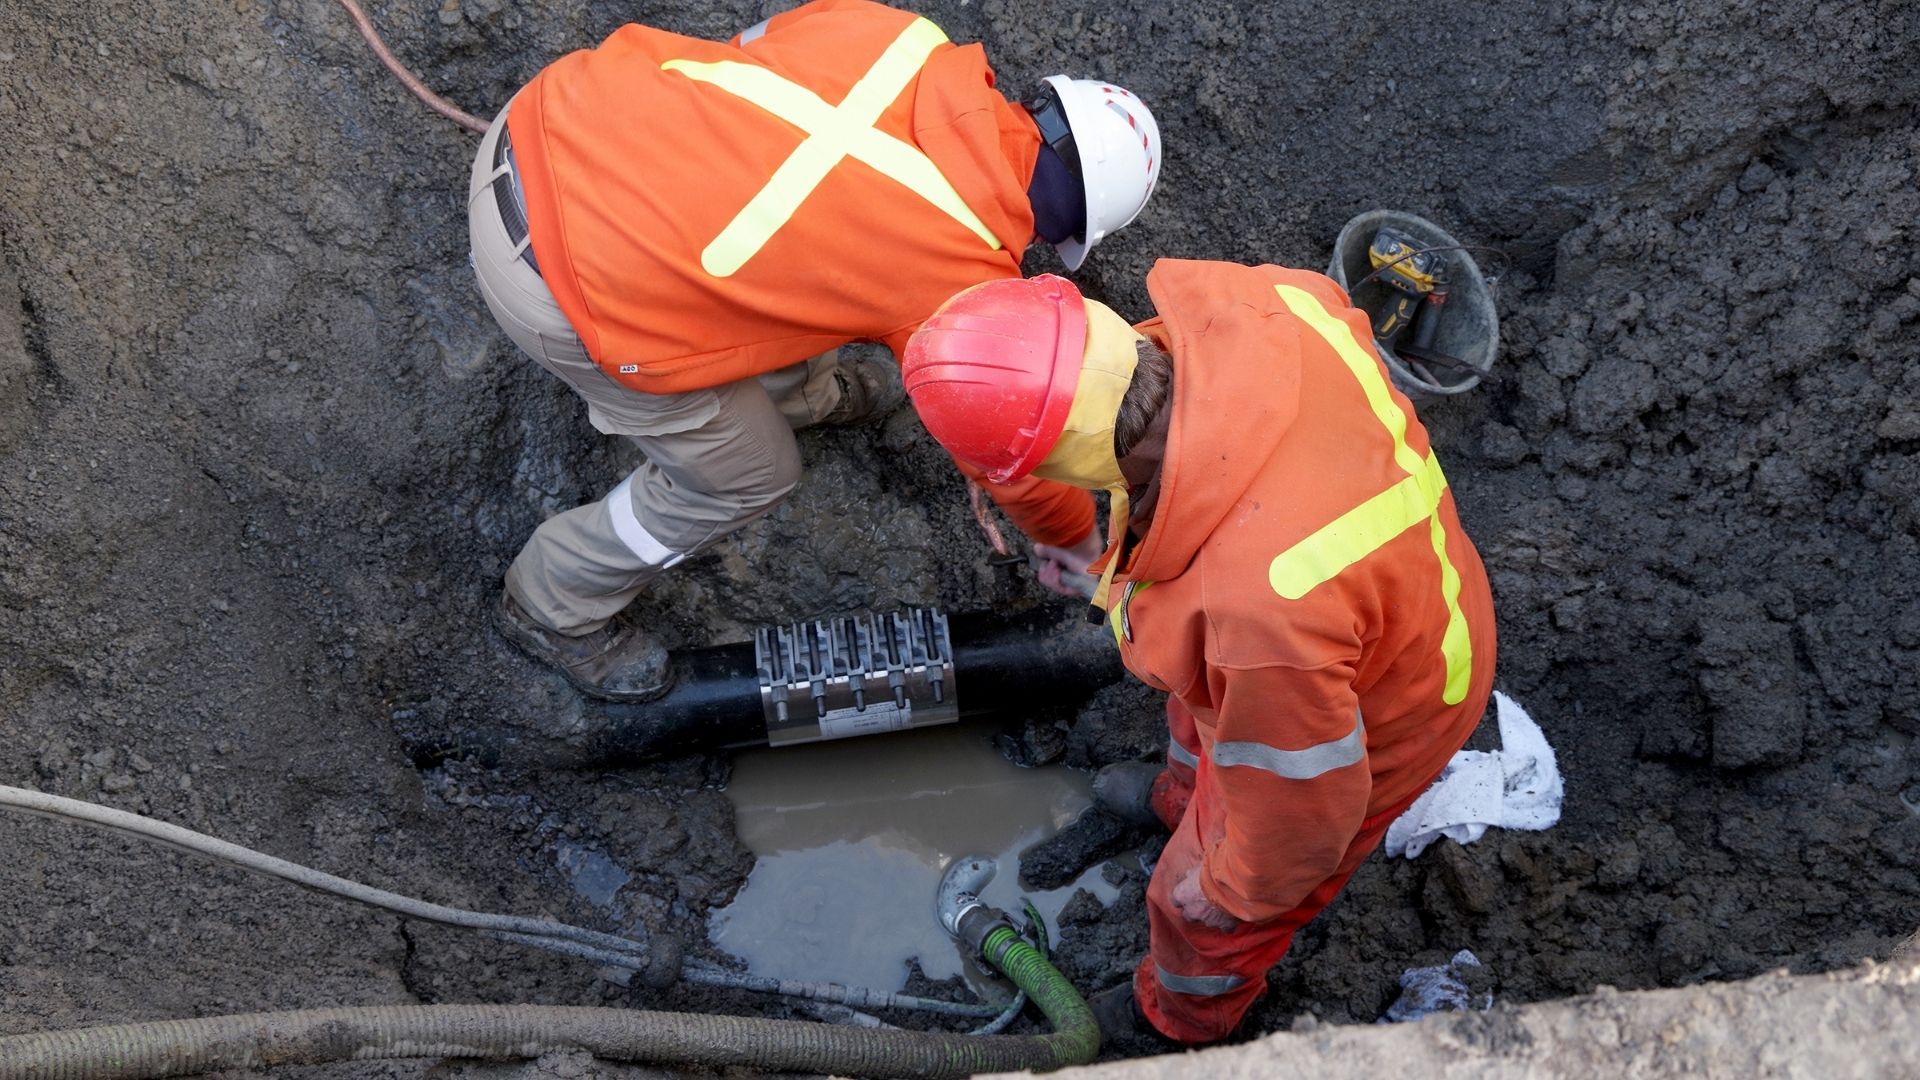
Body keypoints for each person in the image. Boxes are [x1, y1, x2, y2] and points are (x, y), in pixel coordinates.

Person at [465, 0, 1160, 700]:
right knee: (750, 473)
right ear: (1069, 223)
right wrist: (1071, 544)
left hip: (546, 118)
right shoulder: (959, 274)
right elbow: (1015, 458)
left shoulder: (903, 36)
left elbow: (749, 65)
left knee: (810, 234)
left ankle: (805, 397)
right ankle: (554, 602)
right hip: (561, 284)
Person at [901, 261, 1499, 1046]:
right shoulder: (1261, 307)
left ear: (1056, 465)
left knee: (1197, 902)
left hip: (1387, 708)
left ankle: (1178, 1022)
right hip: (1396, 596)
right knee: (1203, 701)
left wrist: (1234, 886)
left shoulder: (1257, 611)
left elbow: (1303, 808)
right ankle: (1186, 799)